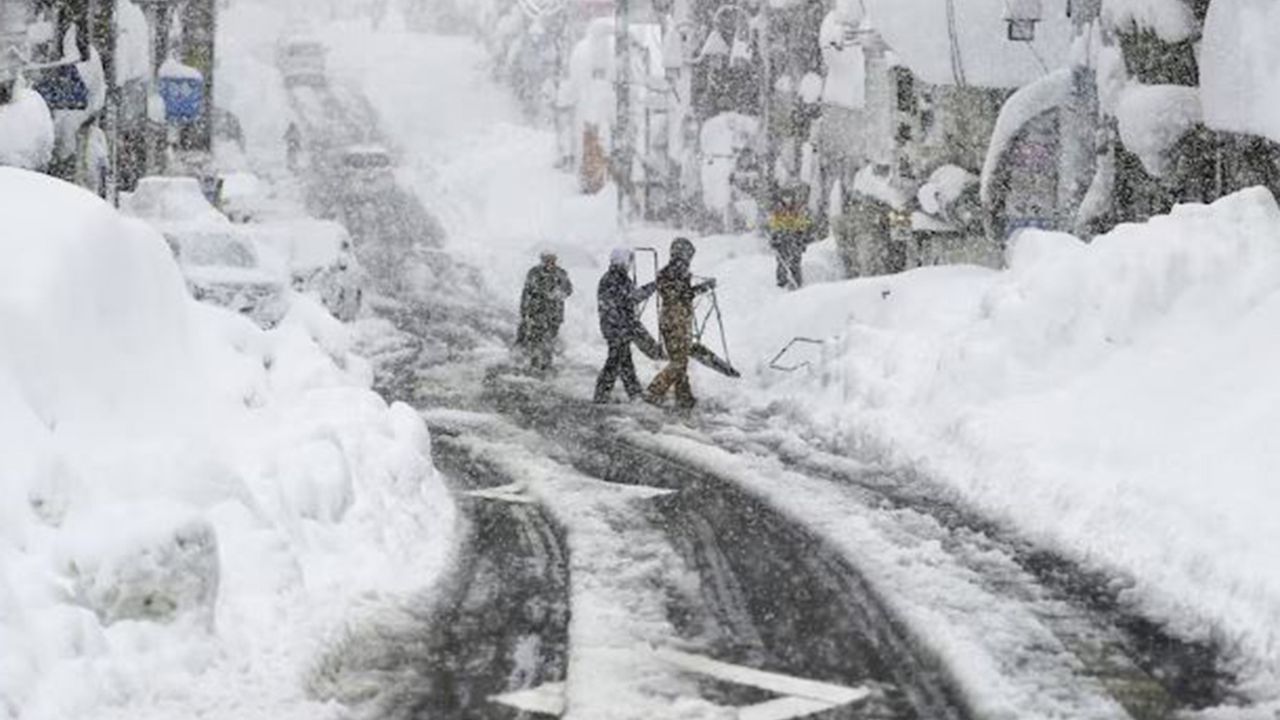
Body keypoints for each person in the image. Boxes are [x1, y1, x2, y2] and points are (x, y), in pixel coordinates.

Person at [646, 238, 715, 409]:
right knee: (679, 362)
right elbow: (683, 295)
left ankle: (684, 396)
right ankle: (654, 391)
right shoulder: (677, 272)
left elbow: (679, 293)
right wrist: (703, 288)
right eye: (688, 254)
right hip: (676, 320)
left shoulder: (668, 271)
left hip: (670, 319)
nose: (689, 259)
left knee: (680, 360)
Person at [594, 248, 654, 403]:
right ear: (622, 261)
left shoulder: (620, 278)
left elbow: (629, 298)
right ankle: (603, 395)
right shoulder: (613, 279)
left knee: (623, 360)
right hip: (617, 328)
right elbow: (631, 298)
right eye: (628, 261)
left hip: (619, 326)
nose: (629, 265)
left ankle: (633, 393)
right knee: (615, 362)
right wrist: (652, 287)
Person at [517, 251, 573, 374]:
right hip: (537, 313)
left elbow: (568, 290)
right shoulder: (534, 272)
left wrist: (559, 293)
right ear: (542, 260)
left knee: (549, 340)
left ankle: (546, 364)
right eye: (547, 259)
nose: (550, 262)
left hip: (554, 315)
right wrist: (524, 310)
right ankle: (534, 363)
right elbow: (527, 292)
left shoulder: (561, 273)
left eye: (553, 259)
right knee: (535, 339)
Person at [767, 186, 816, 290]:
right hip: (782, 239)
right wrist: (774, 238)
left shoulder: (797, 209)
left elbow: (803, 224)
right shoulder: (778, 210)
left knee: (795, 262)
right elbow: (774, 225)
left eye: (789, 197)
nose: (787, 200)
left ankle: (797, 282)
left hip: (795, 239)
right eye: (785, 197)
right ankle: (781, 283)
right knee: (782, 262)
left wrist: (802, 238)